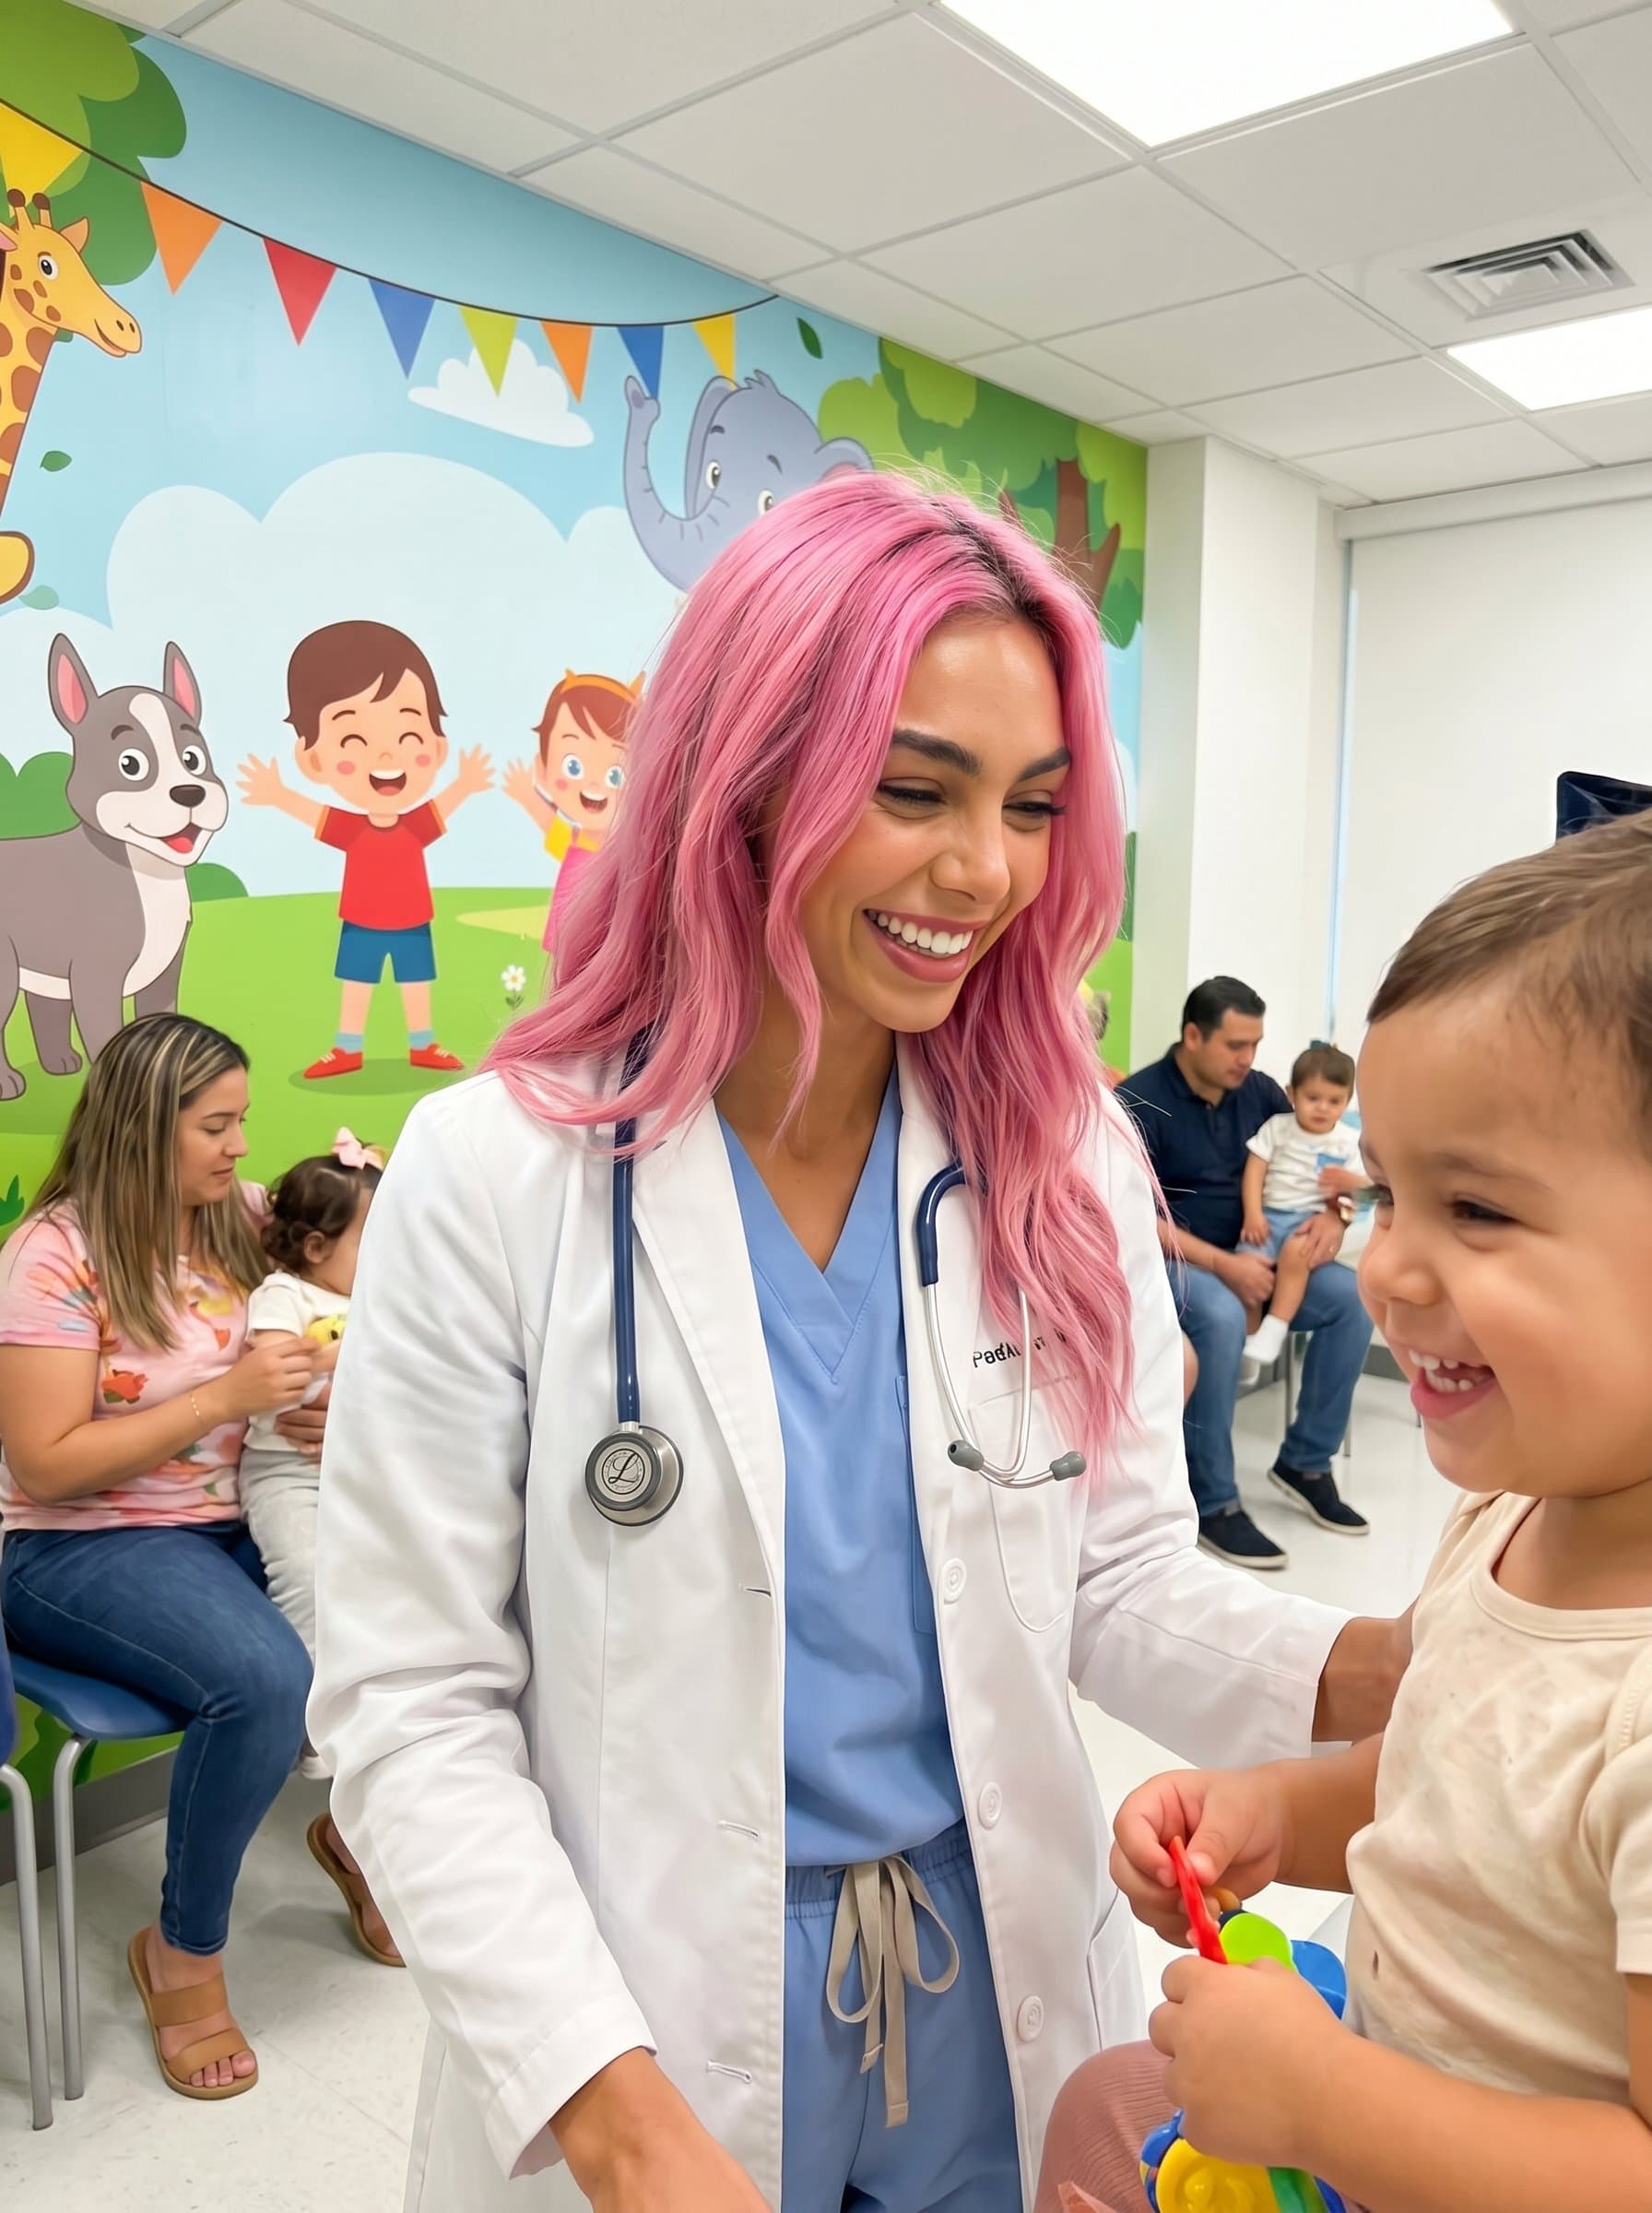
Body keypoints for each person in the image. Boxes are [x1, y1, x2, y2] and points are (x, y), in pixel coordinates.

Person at [308, 474, 1406, 2213]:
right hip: (640, 2020)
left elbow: (1107, 1581)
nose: (982, 871)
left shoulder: (1062, 1163)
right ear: (739, 776)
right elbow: (414, 1709)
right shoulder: (499, 1176)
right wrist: (622, 2131)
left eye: (1032, 807)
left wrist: (1418, 1669)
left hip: (993, 1976)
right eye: (913, 792)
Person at [1039, 812, 1652, 2213]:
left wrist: (1329, 2104)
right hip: (1369, 2110)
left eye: (1479, 1211)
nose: (1388, 1273)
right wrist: (1270, 1814)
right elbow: (1436, 1787)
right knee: (1104, 2107)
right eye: (1391, 1197)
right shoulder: (1504, 1523)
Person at [0, 1015, 317, 2101]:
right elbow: (45, 1466)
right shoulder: (54, 1256)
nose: (239, 1150)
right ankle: (180, 1954)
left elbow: (325, 1323)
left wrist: (321, 1407)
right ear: (144, 1130)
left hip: (236, 1516)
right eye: (215, 1127)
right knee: (270, 1679)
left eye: (242, 1123)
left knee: (417, 1606)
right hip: (80, 1545)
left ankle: (367, 1849)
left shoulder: (237, 1218)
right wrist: (223, 1397)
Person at [1120, 982, 1374, 1572]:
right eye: (1236, 1045)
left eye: (1255, 1045)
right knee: (1221, 1314)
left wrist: (1334, 1220)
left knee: (1351, 1300)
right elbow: (1129, 1214)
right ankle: (1211, 1499)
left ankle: (1306, 1462)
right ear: (1192, 1037)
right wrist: (1225, 1265)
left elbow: (1317, 1164)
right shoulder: (1139, 1102)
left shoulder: (1257, 1093)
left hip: (1264, 1257)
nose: (1249, 1059)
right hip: (1178, 1262)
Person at [237, 620, 493, 1080]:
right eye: (354, 741)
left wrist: (467, 784)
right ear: (313, 759)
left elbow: (443, 805)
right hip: (361, 922)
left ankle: (423, 1043)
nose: (386, 759)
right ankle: (347, 1048)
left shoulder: (414, 825)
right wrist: (277, 795)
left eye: (407, 738)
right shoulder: (351, 829)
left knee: (416, 982)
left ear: (436, 748)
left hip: (413, 920)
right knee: (357, 984)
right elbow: (312, 814)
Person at [1239, 1044, 1367, 1371]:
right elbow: (1255, 1170)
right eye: (1313, 1099)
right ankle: (1249, 1345)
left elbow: (1372, 1191)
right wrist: (1253, 1214)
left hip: (1307, 1222)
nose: (1322, 1108)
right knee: (1247, 1267)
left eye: (1334, 1101)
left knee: (1298, 1253)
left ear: (1348, 1100)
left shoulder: (1349, 1142)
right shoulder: (1278, 1128)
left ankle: (1275, 1328)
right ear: (1291, 1093)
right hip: (1267, 1218)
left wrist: (1350, 1182)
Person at [502, 669, 643, 955]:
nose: (592, 785)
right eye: (573, 767)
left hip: (606, 940)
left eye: (616, 775)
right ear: (543, 770)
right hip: (565, 934)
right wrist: (528, 796)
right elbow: (548, 822)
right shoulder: (572, 842)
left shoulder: (623, 851)